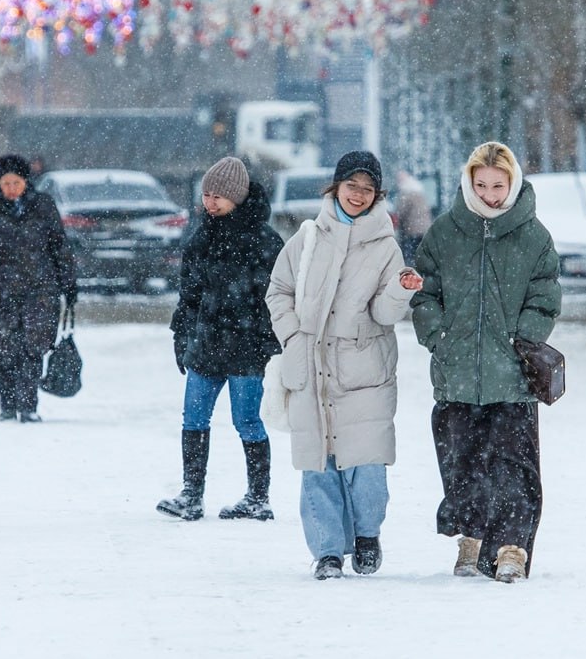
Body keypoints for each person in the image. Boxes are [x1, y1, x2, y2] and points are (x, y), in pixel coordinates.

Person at [264, 151, 423, 579]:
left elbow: (385, 314)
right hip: (311, 367)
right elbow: (278, 290)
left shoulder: (386, 245)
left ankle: (367, 535)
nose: (358, 195)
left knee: (366, 466)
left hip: (364, 371)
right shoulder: (308, 238)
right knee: (319, 467)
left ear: (377, 196)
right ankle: (328, 552)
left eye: (367, 189)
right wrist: (293, 336)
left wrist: (401, 291)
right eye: (351, 186)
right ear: (335, 187)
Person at [410, 141, 561, 583]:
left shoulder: (534, 236)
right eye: (482, 185)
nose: (491, 194)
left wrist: (524, 339)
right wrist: (439, 337)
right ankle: (472, 541)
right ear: (469, 183)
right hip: (457, 375)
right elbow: (425, 292)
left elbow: (545, 294)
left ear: (512, 184)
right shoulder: (444, 232)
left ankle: (512, 548)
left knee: (514, 466)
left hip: (511, 376)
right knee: (463, 463)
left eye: (499, 185)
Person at [158, 157, 283, 522]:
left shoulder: (264, 241)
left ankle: (258, 498)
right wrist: (182, 336)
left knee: (247, 421)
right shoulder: (202, 236)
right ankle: (191, 495)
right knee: (193, 418)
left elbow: (275, 300)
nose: (210, 203)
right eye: (206, 195)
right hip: (206, 344)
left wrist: (266, 344)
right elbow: (189, 295)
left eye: (218, 197)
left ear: (238, 197)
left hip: (247, 347)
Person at [0, 153, 77, 422]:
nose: (11, 188)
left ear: (25, 182)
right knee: (3, 349)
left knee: (32, 348)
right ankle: (7, 404)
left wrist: (69, 283)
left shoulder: (43, 207)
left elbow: (60, 247)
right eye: (6, 183)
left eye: (15, 183)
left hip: (38, 290)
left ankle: (28, 405)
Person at [393, 170, 433, 264]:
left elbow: (401, 212)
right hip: (424, 229)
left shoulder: (406, 192)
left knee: (409, 256)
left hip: (412, 230)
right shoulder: (419, 191)